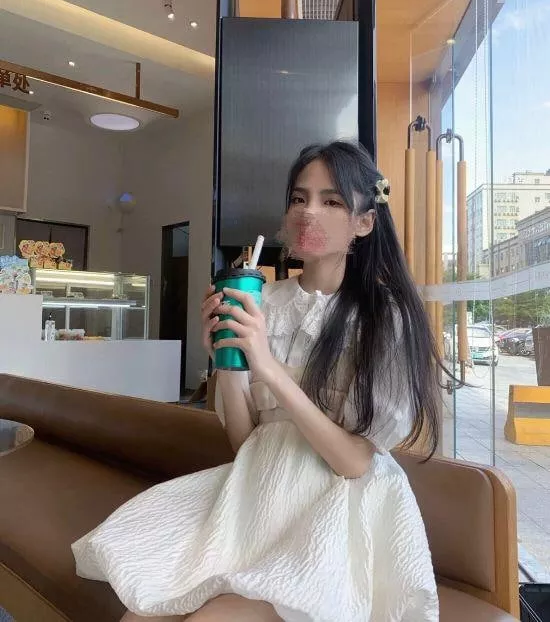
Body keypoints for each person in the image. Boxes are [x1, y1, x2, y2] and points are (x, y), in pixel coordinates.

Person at [72, 141, 443, 621]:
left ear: (365, 222)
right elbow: (246, 442)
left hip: (338, 508)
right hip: (258, 491)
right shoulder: (263, 301)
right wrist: (228, 362)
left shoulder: (383, 316)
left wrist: (267, 366)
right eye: (298, 198)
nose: (308, 212)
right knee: (139, 615)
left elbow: (354, 462)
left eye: (331, 201)